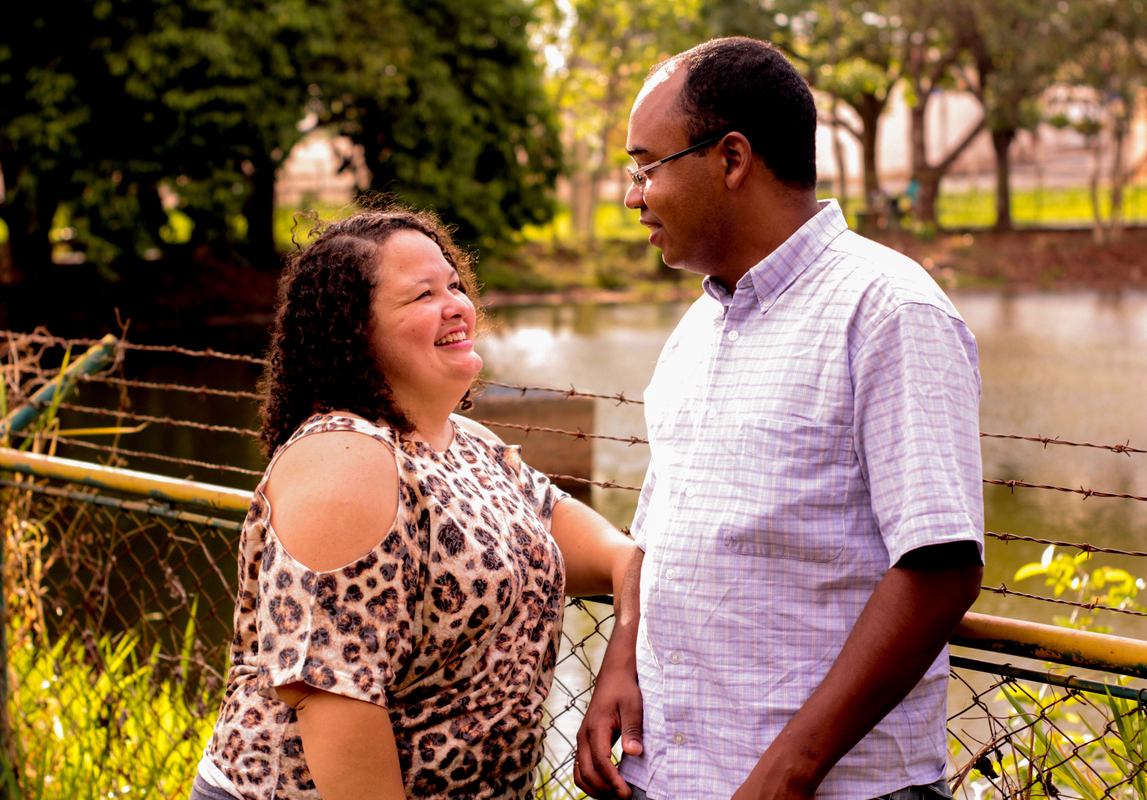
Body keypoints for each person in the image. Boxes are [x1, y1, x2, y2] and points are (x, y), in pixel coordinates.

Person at [575, 37, 985, 800]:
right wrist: (619, 662)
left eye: (646, 167)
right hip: (669, 776)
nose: (634, 196)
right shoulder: (698, 328)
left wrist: (790, 772)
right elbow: (658, 538)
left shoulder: (887, 310)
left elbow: (941, 567)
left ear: (731, 159)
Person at [190, 208, 637, 800]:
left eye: (454, 284)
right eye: (423, 294)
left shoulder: (466, 443)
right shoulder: (345, 459)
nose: (456, 304)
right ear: (353, 331)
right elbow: (336, 704)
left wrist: (621, 653)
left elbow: (606, 551)